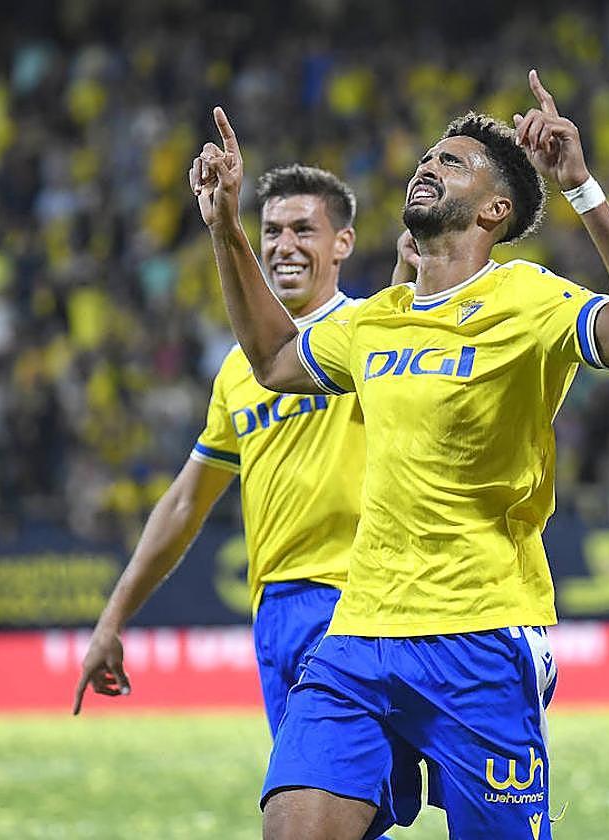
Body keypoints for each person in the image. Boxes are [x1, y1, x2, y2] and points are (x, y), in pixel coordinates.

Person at [189, 69, 609, 840]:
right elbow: (274, 363)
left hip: (480, 634)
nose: (427, 166)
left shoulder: (531, 299)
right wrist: (224, 227)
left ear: (496, 209)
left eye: (452, 162)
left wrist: (582, 190)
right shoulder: (376, 320)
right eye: (427, 157)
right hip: (358, 634)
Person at [73, 164, 414, 737]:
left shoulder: (369, 330)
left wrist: (411, 264)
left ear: (343, 244)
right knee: (342, 815)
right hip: (274, 613)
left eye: (304, 230)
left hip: (355, 600)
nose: (285, 246)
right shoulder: (238, 370)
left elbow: (406, 303)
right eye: (272, 231)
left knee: (310, 814)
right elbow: (185, 503)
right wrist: (112, 620)